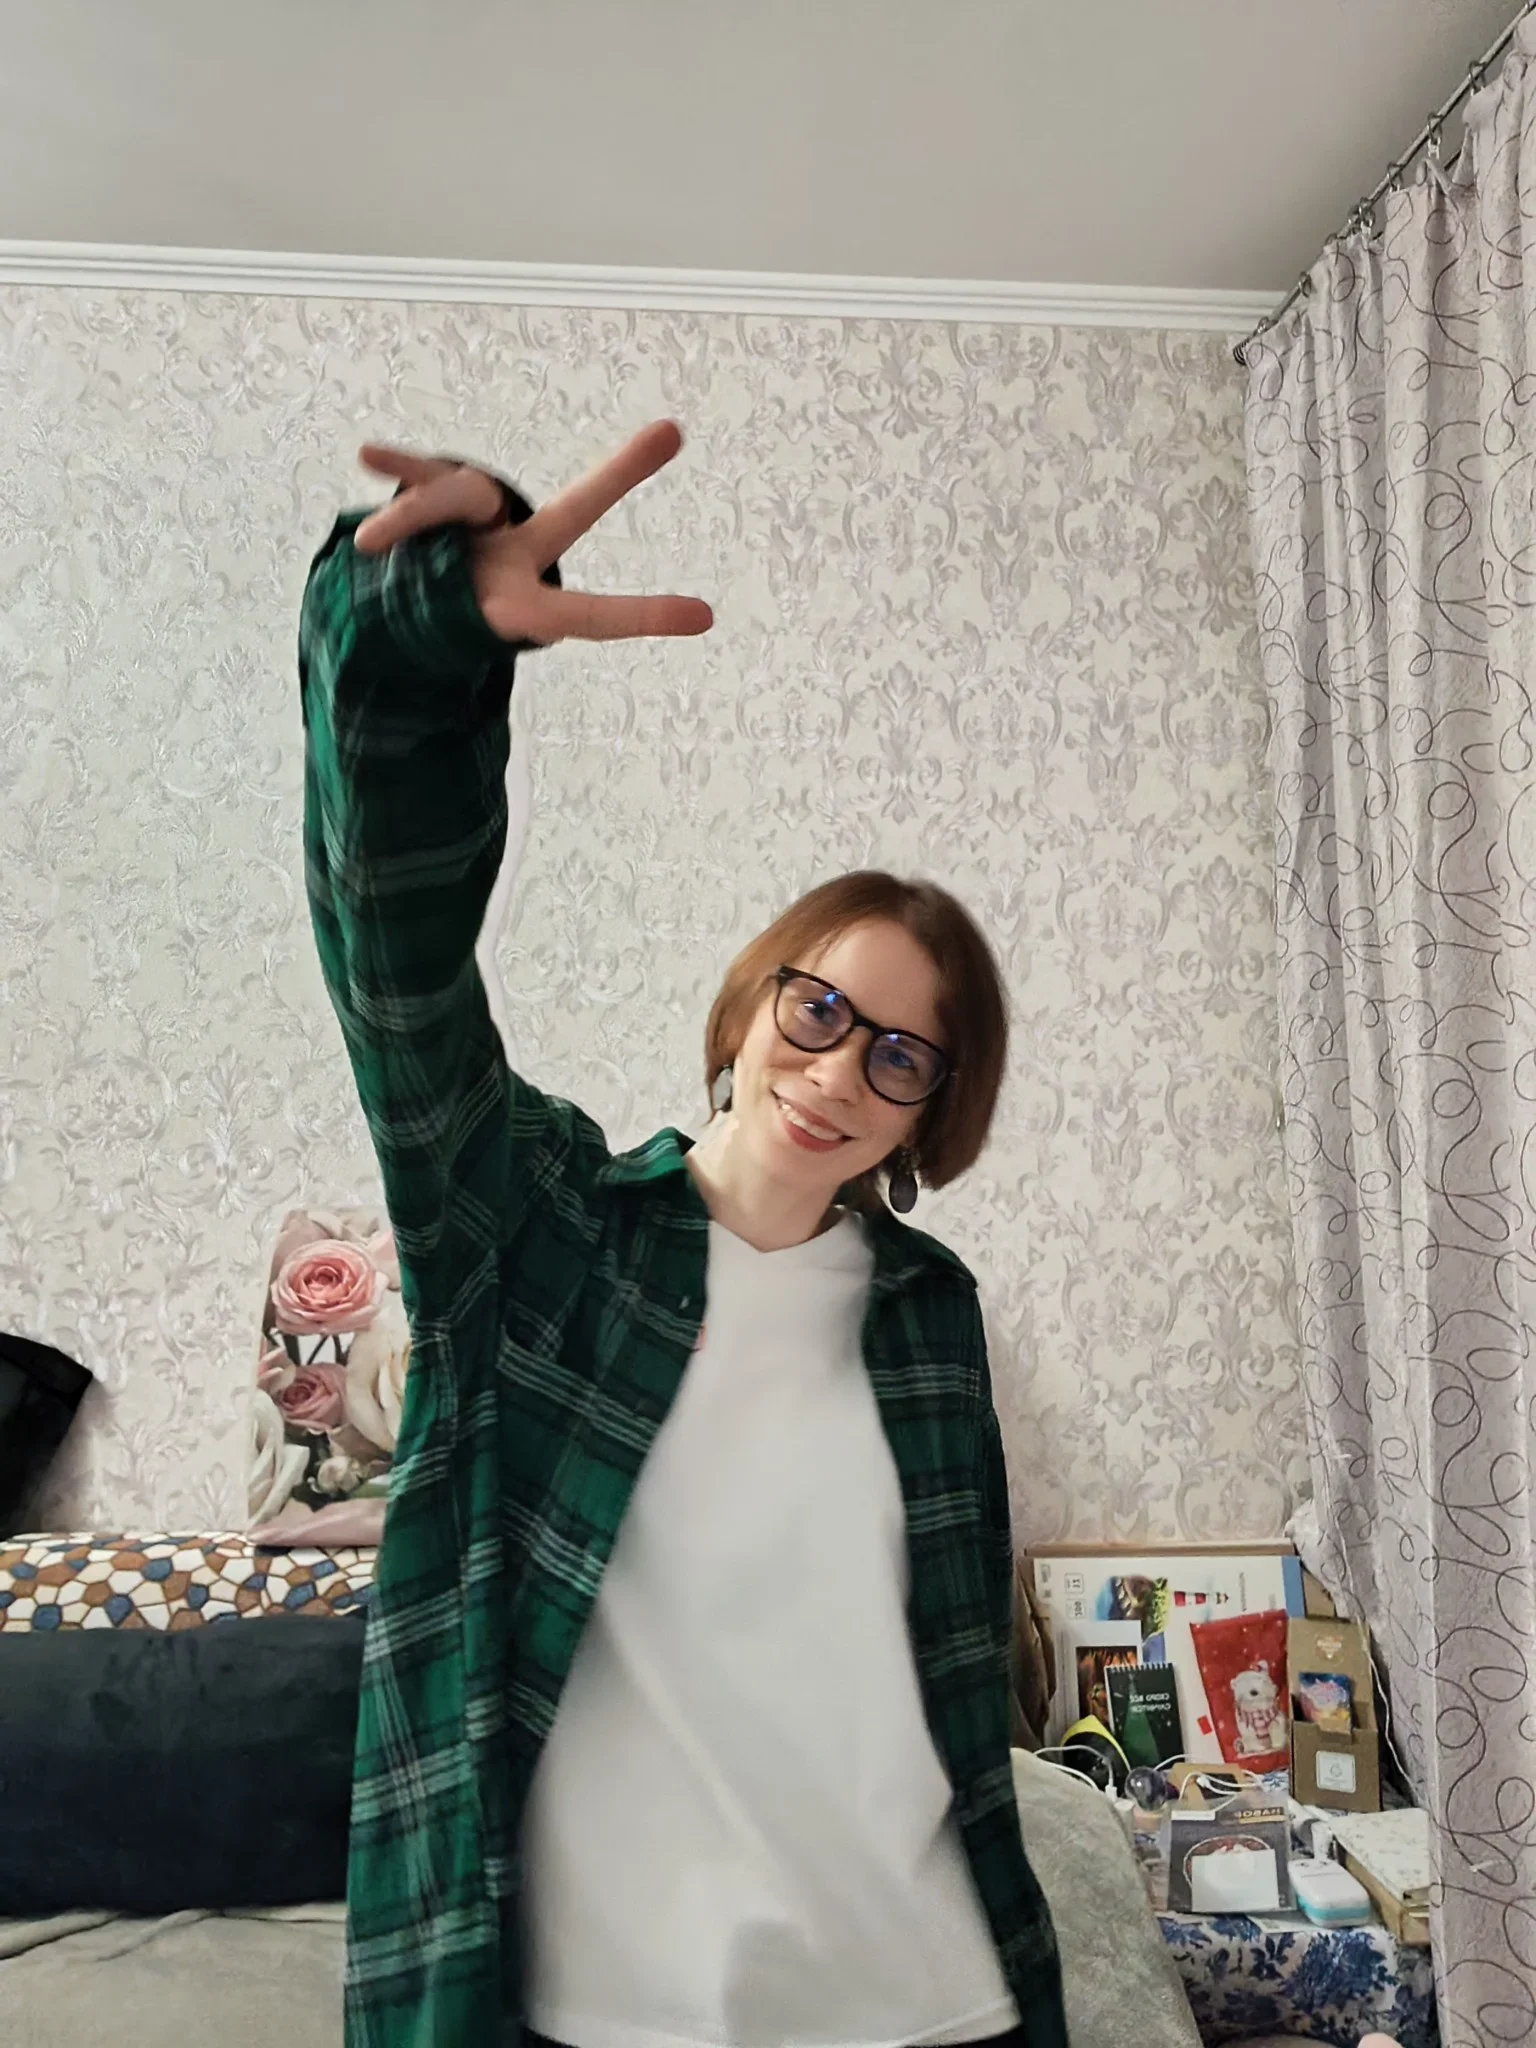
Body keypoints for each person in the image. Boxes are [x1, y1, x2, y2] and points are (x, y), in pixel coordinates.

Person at [299, 421, 1068, 2048]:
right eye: (820, 1010)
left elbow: (948, 1685)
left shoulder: (929, 1313)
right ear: (749, 1006)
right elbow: (394, 957)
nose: (840, 1071)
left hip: (931, 1992)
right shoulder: (537, 1227)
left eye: (903, 1056)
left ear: (933, 1112)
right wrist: (421, 646)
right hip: (619, 2006)